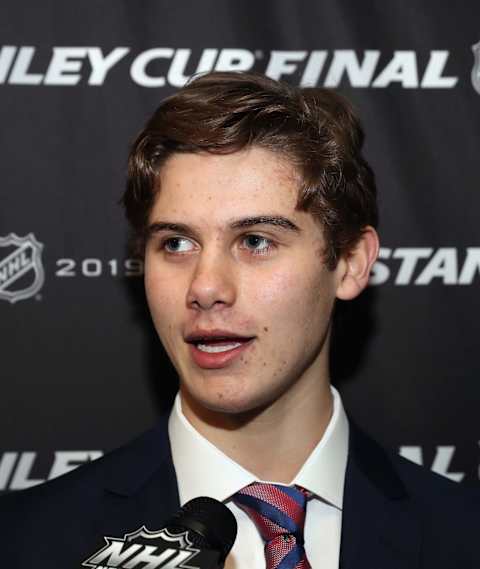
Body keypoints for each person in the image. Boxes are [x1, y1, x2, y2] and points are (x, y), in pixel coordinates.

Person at [0, 72, 477, 568]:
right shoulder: (23, 543)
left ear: (352, 261)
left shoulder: (463, 535)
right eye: (176, 243)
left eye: (255, 241)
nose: (205, 288)